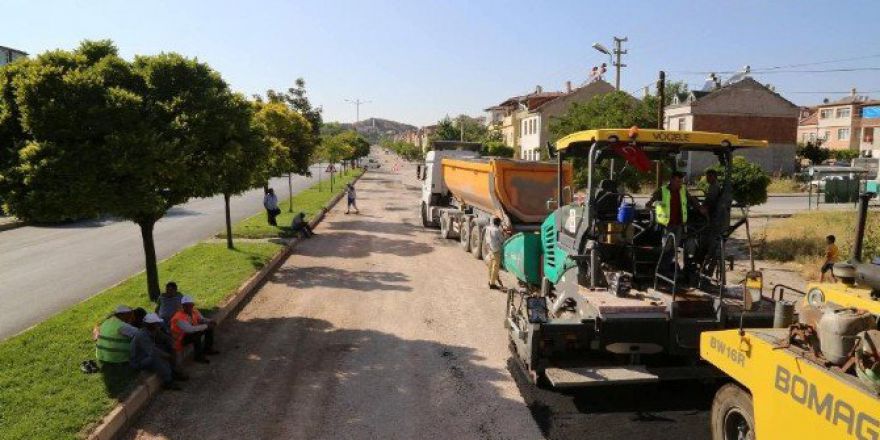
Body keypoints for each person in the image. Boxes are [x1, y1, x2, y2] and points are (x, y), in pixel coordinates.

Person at [647, 171, 707, 277]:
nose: (680, 183)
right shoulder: (663, 190)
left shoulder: (683, 190)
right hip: (667, 224)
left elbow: (692, 200)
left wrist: (700, 208)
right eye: (678, 181)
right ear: (672, 180)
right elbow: (652, 200)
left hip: (679, 224)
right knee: (666, 247)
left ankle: (664, 269)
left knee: (673, 248)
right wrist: (651, 204)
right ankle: (657, 266)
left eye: (681, 181)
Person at [130, 313, 183, 390]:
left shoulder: (154, 330)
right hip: (139, 360)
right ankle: (168, 381)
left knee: (168, 348)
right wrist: (167, 355)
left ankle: (173, 372)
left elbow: (165, 338)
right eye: (156, 323)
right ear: (149, 324)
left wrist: (172, 344)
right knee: (156, 356)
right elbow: (152, 350)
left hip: (147, 355)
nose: (158, 324)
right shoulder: (141, 335)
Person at [170, 296, 218, 363]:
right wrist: (206, 325)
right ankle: (198, 357)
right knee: (196, 335)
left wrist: (210, 321)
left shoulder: (194, 311)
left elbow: (201, 319)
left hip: (189, 334)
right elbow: (189, 329)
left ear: (192, 305)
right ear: (182, 306)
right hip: (180, 339)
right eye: (186, 306)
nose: (189, 307)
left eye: (190, 305)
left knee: (208, 329)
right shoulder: (178, 317)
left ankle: (208, 349)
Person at [484, 217, 505, 290]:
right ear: (498, 223)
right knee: (495, 267)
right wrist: (504, 233)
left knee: (490, 266)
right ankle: (492, 284)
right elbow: (502, 240)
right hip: (496, 250)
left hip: (490, 249)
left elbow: (486, 238)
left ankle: (490, 280)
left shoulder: (488, 228)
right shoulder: (497, 230)